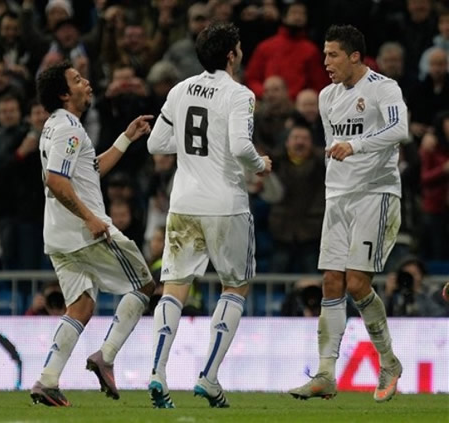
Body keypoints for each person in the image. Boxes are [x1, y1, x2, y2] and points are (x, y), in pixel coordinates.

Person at [146, 22, 272, 408]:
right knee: (234, 287)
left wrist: (188, 146)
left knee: (174, 288)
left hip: (183, 202)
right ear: (232, 54)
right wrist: (260, 163)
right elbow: (239, 145)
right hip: (226, 205)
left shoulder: (179, 89)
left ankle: (157, 372)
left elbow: (156, 144)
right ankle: (209, 376)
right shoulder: (240, 95)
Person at [288, 25, 408, 403]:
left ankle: (389, 362)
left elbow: (400, 129)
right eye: (325, 55)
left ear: (355, 56)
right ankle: (325, 373)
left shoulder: (383, 88)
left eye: (333, 55)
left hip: (376, 193)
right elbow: (333, 149)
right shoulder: (326, 97)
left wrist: (354, 145)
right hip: (338, 198)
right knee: (331, 283)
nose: (326, 63)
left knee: (357, 283)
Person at [30, 61, 155, 407]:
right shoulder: (69, 129)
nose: (86, 82)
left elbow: (89, 170)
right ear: (64, 94)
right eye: (77, 79)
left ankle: (48, 381)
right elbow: (55, 180)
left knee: (82, 305)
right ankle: (107, 356)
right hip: (83, 232)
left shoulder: (56, 127)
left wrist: (126, 138)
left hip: (57, 235)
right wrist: (89, 217)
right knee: (144, 285)